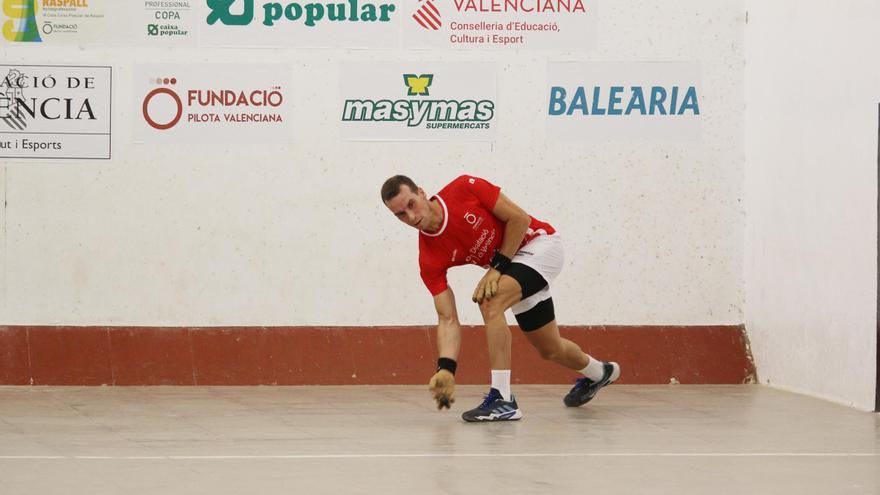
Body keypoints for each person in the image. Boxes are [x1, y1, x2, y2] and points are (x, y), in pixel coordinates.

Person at [381, 174, 620, 422]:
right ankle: (600, 372)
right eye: (400, 215)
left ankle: (503, 399)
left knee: (490, 301)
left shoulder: (463, 188)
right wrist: (446, 368)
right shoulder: (429, 257)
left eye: (411, 204)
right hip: (513, 268)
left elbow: (519, 218)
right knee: (550, 349)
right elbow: (447, 318)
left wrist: (496, 268)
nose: (411, 217)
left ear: (421, 192)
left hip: (540, 246)